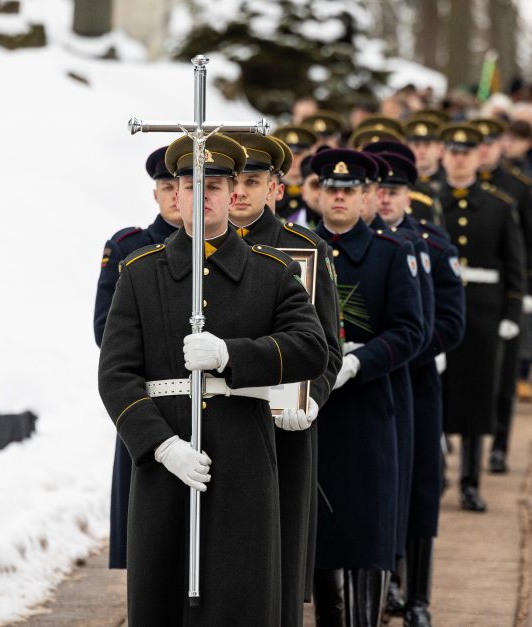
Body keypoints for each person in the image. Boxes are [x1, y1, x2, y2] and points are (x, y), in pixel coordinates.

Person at [97, 133, 328, 625]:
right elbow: (116, 374)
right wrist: (160, 446)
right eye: (191, 185)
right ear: (175, 195)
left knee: (241, 595)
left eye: (216, 186)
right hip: (165, 462)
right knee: (162, 593)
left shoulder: (272, 271)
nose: (204, 197)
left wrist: (233, 355)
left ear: (231, 195)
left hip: (244, 455)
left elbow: (311, 347)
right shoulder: (139, 273)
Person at [226, 131, 343, 627]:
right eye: (230, 181)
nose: (238, 192)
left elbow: (327, 350)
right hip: (216, 425)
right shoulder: (189, 250)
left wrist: (311, 398)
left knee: (278, 560)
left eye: (252, 181)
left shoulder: (305, 251)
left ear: (276, 188)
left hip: (282, 432)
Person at [311, 149, 425, 627]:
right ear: (318, 194)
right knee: (320, 532)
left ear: (365, 197)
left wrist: (358, 361)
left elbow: (409, 330)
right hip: (313, 409)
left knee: (367, 531)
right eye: (332, 190)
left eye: (350, 191)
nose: (340, 198)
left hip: (367, 408)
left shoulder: (389, 254)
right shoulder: (295, 250)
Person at [376, 150, 466, 626]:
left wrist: (401, 349)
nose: (386, 198)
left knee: (419, 487)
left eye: (394, 190)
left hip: (414, 379)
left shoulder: (431, 244)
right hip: (365, 385)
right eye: (381, 189)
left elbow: (451, 322)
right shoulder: (358, 242)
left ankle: (418, 596)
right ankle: (384, 576)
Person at [93, 145, 183, 570]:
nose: (175, 196)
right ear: (155, 194)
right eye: (166, 187)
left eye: (181, 185)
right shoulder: (129, 247)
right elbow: (105, 331)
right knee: (148, 524)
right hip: (149, 397)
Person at [438, 123, 525, 512]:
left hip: (483, 311)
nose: (459, 159)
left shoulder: (499, 205)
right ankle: (435, 470)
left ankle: (470, 482)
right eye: (453, 152)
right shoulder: (429, 201)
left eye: (466, 152)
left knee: (477, 399)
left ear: (478, 157)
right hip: (439, 308)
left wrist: (512, 311)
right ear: (444, 156)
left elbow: (515, 267)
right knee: (437, 394)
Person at [471, 117, 532, 474]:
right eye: (478, 143)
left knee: (503, 377)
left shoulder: (518, 186)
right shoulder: (454, 186)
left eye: (490, 141)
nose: (484, 149)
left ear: (502, 144)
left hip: (504, 291)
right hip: (468, 294)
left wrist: (530, 290)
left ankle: (500, 444)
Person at [272, 125, 318, 219]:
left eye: (298, 154)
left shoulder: (317, 189)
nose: (293, 158)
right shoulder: (268, 191)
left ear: (309, 155)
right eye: (287, 154)